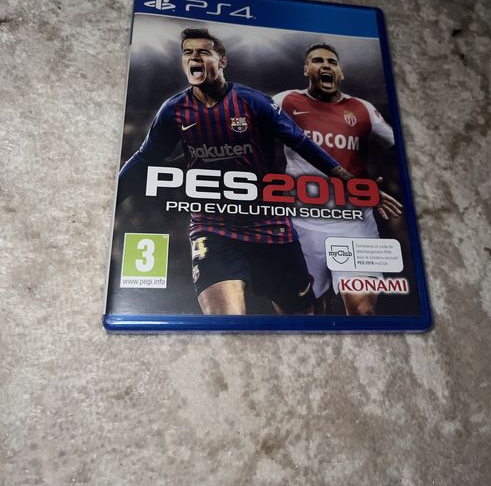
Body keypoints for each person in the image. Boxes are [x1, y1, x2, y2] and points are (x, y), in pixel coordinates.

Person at [117, 28, 353, 316]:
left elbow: (299, 141)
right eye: (188, 52)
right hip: (212, 225)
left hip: (268, 223)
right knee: (224, 320)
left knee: (302, 318)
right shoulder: (174, 110)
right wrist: (112, 199)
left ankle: (316, 302)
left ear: (222, 61)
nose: (194, 57)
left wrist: (345, 177)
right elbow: (145, 158)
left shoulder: (253, 101)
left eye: (203, 52)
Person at [274, 42, 403, 315]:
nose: (326, 65)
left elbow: (401, 150)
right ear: (306, 69)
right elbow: (245, 129)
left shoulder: (362, 109)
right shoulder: (285, 101)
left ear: (340, 72)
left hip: (354, 223)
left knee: (363, 311)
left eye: (332, 62)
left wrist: (387, 186)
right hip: (300, 223)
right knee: (302, 316)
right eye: (318, 60)